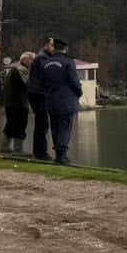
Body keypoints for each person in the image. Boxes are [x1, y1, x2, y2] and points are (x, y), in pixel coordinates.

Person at [40, 37, 83, 166]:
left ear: (54, 48)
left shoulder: (45, 63)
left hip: (51, 100)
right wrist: (79, 93)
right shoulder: (68, 63)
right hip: (66, 101)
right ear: (66, 49)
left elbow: (42, 83)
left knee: (55, 128)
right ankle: (62, 156)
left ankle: (58, 155)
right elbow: (74, 82)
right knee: (65, 128)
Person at [1, 51, 34, 155]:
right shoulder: (22, 70)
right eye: (31, 59)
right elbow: (29, 84)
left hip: (10, 103)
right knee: (20, 125)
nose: (32, 62)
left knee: (11, 125)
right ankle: (18, 150)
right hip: (18, 103)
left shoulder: (13, 69)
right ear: (23, 59)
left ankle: (4, 146)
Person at [27, 37, 55, 160]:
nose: (54, 48)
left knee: (41, 123)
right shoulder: (43, 58)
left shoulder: (42, 57)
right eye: (52, 45)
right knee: (42, 123)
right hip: (38, 93)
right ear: (46, 45)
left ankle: (38, 151)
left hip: (37, 92)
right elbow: (48, 76)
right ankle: (41, 152)